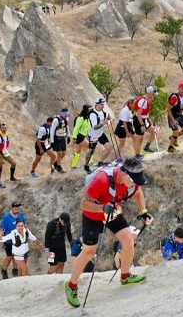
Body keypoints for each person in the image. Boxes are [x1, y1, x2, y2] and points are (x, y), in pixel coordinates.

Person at [64, 157, 153, 308]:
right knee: (88, 252)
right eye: (135, 180)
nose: (137, 184)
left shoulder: (132, 184)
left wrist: (143, 212)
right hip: (93, 216)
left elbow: (138, 193)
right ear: (124, 174)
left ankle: (125, 276)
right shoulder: (102, 180)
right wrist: (102, 208)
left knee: (129, 242)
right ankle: (71, 286)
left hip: (114, 213)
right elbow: (84, 204)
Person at [0, 201, 27, 279]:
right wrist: (1, 241)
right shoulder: (7, 217)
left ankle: (15, 269)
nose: (17, 210)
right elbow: (2, 229)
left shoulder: (20, 215)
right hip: (9, 241)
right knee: (9, 256)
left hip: (18, 240)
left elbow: (24, 225)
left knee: (16, 255)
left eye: (18, 209)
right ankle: (4, 270)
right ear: (11, 208)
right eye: (15, 209)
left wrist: (25, 235)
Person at [84, 98, 114, 173]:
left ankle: (100, 162)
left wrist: (107, 118)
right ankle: (86, 165)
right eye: (101, 104)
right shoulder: (92, 114)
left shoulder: (102, 112)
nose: (102, 106)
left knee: (108, 147)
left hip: (100, 133)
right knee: (91, 151)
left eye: (103, 104)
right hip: (93, 134)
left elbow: (102, 120)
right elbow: (95, 127)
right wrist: (104, 122)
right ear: (97, 104)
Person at [133, 87, 158, 157]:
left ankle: (146, 148)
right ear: (149, 93)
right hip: (139, 120)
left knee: (154, 131)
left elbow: (144, 113)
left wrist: (148, 120)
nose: (154, 95)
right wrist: (142, 125)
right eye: (153, 94)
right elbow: (138, 114)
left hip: (144, 119)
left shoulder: (147, 100)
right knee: (139, 139)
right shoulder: (143, 101)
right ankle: (137, 155)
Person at [166, 83, 183, 153]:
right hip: (172, 116)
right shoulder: (174, 97)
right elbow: (168, 110)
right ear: (178, 88)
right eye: (182, 88)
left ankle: (173, 138)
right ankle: (170, 147)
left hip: (180, 115)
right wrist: (173, 120)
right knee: (175, 133)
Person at [0, 123, 18, 187]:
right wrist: (1, 158)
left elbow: (6, 144)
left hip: (5, 152)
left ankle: (12, 177)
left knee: (14, 163)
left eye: (5, 128)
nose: (4, 129)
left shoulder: (6, 135)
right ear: (0, 128)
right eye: (3, 128)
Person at [71, 105, 93, 169]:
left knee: (78, 151)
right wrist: (74, 138)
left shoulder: (87, 118)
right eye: (89, 109)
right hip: (79, 136)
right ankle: (90, 162)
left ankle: (73, 165)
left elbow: (88, 127)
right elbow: (76, 128)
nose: (91, 110)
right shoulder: (80, 118)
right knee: (91, 146)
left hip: (82, 136)